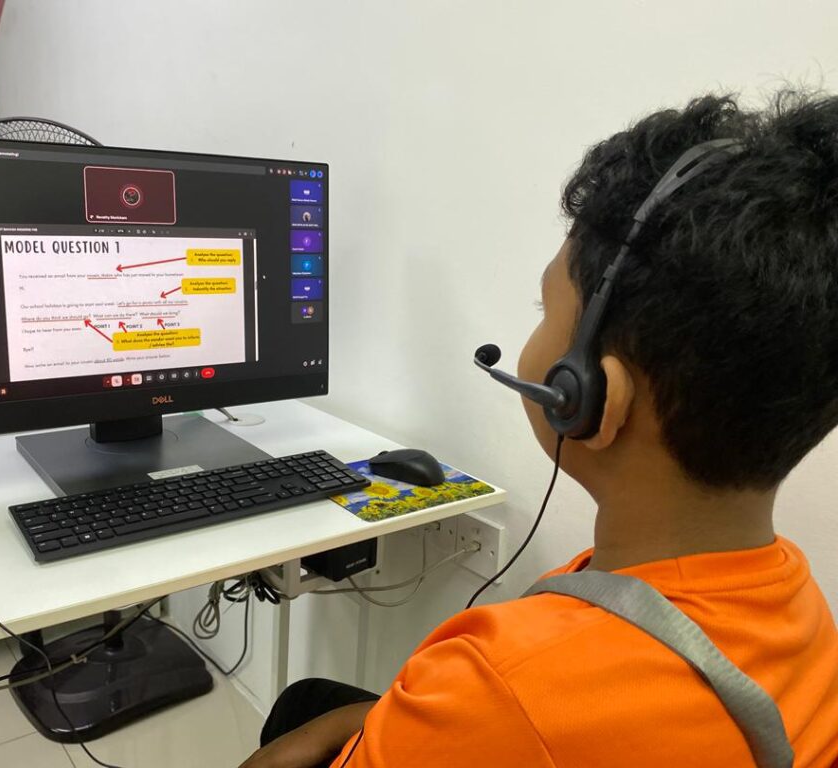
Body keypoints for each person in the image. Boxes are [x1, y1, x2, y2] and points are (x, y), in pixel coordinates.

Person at [239, 91, 838, 768]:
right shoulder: (801, 607)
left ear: (585, 397)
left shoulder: (499, 688)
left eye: (545, 307)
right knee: (311, 703)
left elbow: (505, 713)